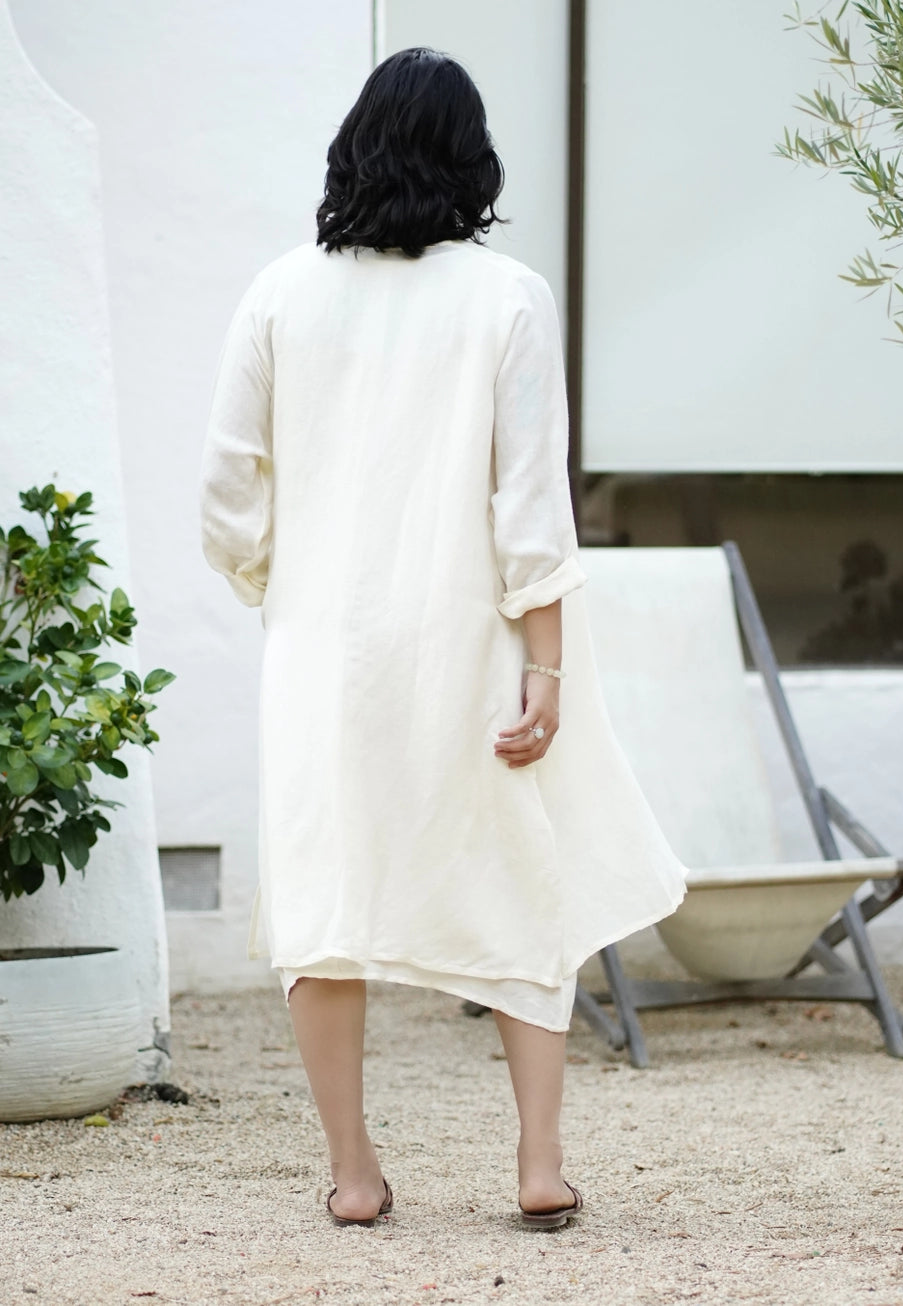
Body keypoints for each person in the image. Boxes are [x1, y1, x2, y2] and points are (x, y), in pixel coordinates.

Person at [200, 47, 687, 1230]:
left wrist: (276, 582)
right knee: (519, 883)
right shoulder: (507, 296)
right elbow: (530, 509)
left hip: (318, 654)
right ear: (473, 163)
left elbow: (226, 489)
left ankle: (353, 1175)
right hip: (466, 646)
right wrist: (546, 666)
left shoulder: (278, 293)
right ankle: (537, 1164)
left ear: (352, 151)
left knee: (325, 902)